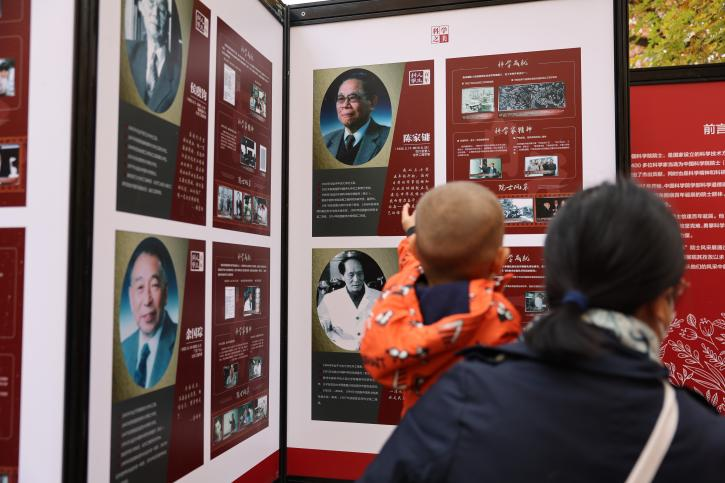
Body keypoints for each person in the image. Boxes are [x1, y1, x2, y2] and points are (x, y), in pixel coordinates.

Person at [360, 181, 725, 482]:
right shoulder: (700, 442)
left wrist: (412, 242)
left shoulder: (459, 396)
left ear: (553, 280)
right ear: (663, 301)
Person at [360, 182, 522, 415]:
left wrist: (412, 234)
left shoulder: (398, 294)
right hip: (476, 429)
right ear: (499, 260)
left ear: (416, 250)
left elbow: (411, 267)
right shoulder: (498, 316)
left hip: (418, 428)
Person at [122, 237, 178, 389]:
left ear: (166, 294)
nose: (147, 300)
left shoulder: (179, 342)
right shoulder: (124, 348)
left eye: (154, 285)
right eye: (140, 287)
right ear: (130, 297)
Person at [317, 254, 382, 351]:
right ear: (342, 276)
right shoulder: (329, 300)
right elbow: (320, 328)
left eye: (360, 274)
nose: (356, 279)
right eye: (351, 275)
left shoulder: (381, 297)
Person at [323, 72, 390, 166]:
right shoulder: (326, 140)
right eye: (341, 98)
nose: (345, 105)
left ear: (372, 102)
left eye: (353, 98)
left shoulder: (389, 139)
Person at [126, 0, 181, 112]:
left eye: (161, 9)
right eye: (151, 3)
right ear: (141, 6)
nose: (155, 13)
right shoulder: (127, 50)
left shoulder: (179, 74)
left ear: (168, 17)